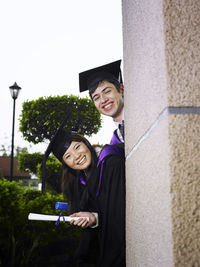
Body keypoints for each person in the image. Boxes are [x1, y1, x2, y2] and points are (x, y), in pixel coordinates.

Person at [43, 120, 125, 267]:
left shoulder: (111, 163)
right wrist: (92, 219)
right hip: (104, 241)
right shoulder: (78, 182)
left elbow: (118, 211)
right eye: (68, 156)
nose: (76, 156)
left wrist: (95, 217)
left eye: (77, 147)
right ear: (65, 164)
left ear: (86, 143)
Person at [79, 60, 124, 144]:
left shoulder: (144, 112)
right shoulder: (116, 141)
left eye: (107, 91)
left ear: (121, 89)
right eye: (96, 98)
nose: (103, 100)